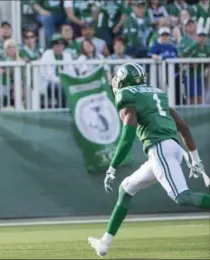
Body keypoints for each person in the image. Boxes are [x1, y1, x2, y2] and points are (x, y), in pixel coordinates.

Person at [88, 62, 210, 257]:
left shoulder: (127, 98)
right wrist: (195, 158)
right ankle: (104, 243)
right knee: (126, 188)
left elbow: (127, 138)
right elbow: (183, 127)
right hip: (171, 148)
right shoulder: (155, 94)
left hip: (160, 149)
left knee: (182, 197)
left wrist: (112, 168)